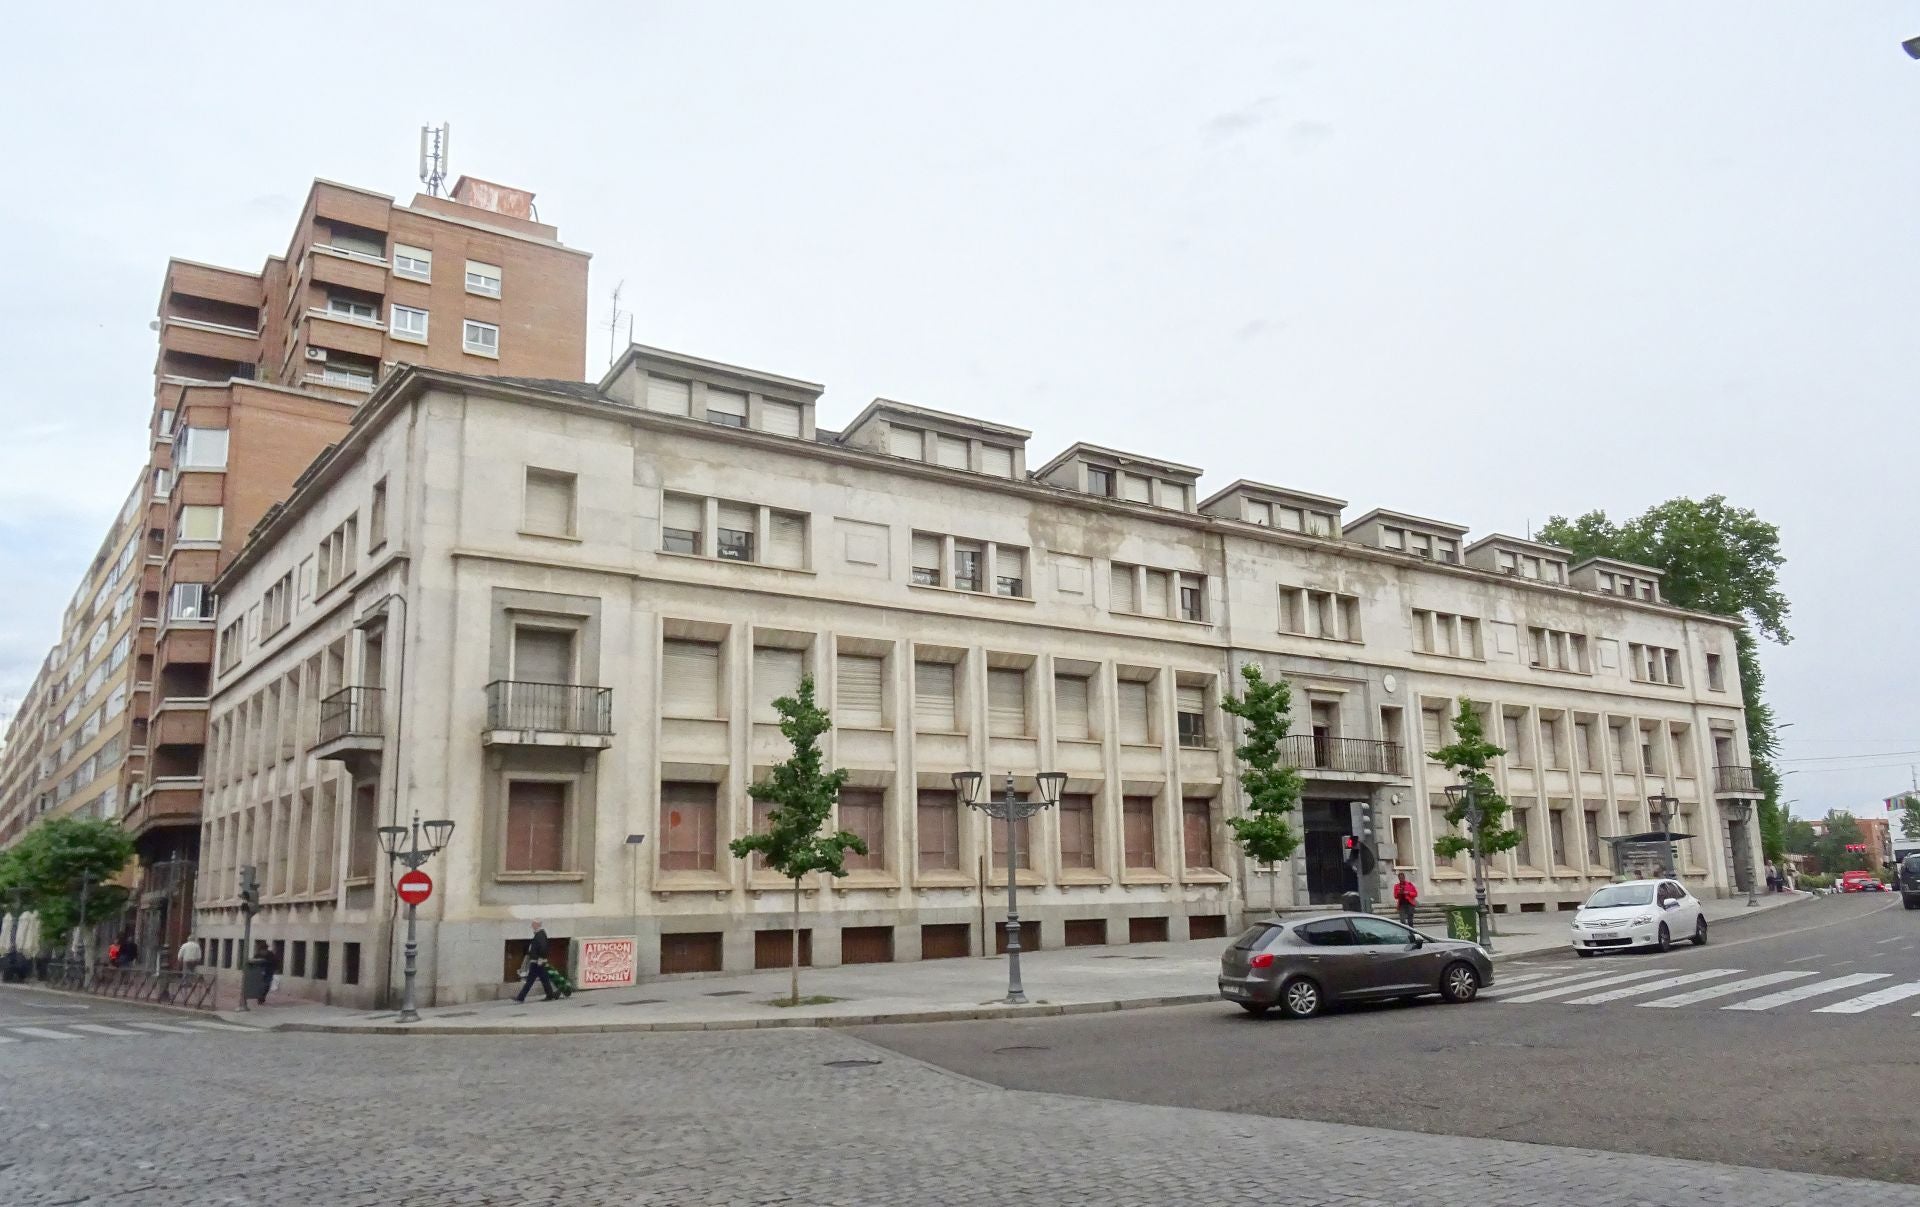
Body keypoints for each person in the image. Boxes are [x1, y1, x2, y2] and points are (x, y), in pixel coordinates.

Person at [515, 920, 559, 1003]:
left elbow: (543, 947)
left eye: (533, 924)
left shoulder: (540, 934)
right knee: (543, 979)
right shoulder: (539, 934)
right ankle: (550, 995)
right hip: (537, 961)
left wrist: (540, 958)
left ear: (537, 925)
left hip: (537, 961)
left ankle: (520, 997)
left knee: (531, 980)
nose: (532, 926)